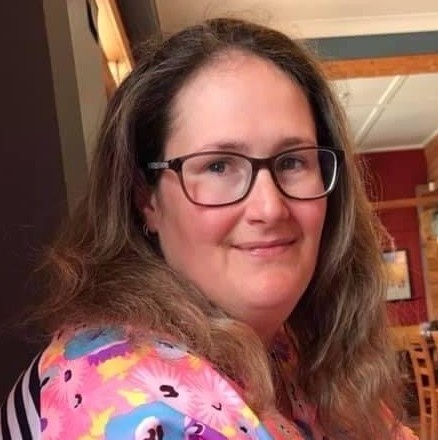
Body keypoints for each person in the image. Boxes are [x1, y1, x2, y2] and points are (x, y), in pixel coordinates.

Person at [1, 17, 417, 440]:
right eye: (218, 166)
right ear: (146, 198)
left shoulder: (284, 349)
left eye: (292, 161)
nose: (270, 207)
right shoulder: (135, 404)